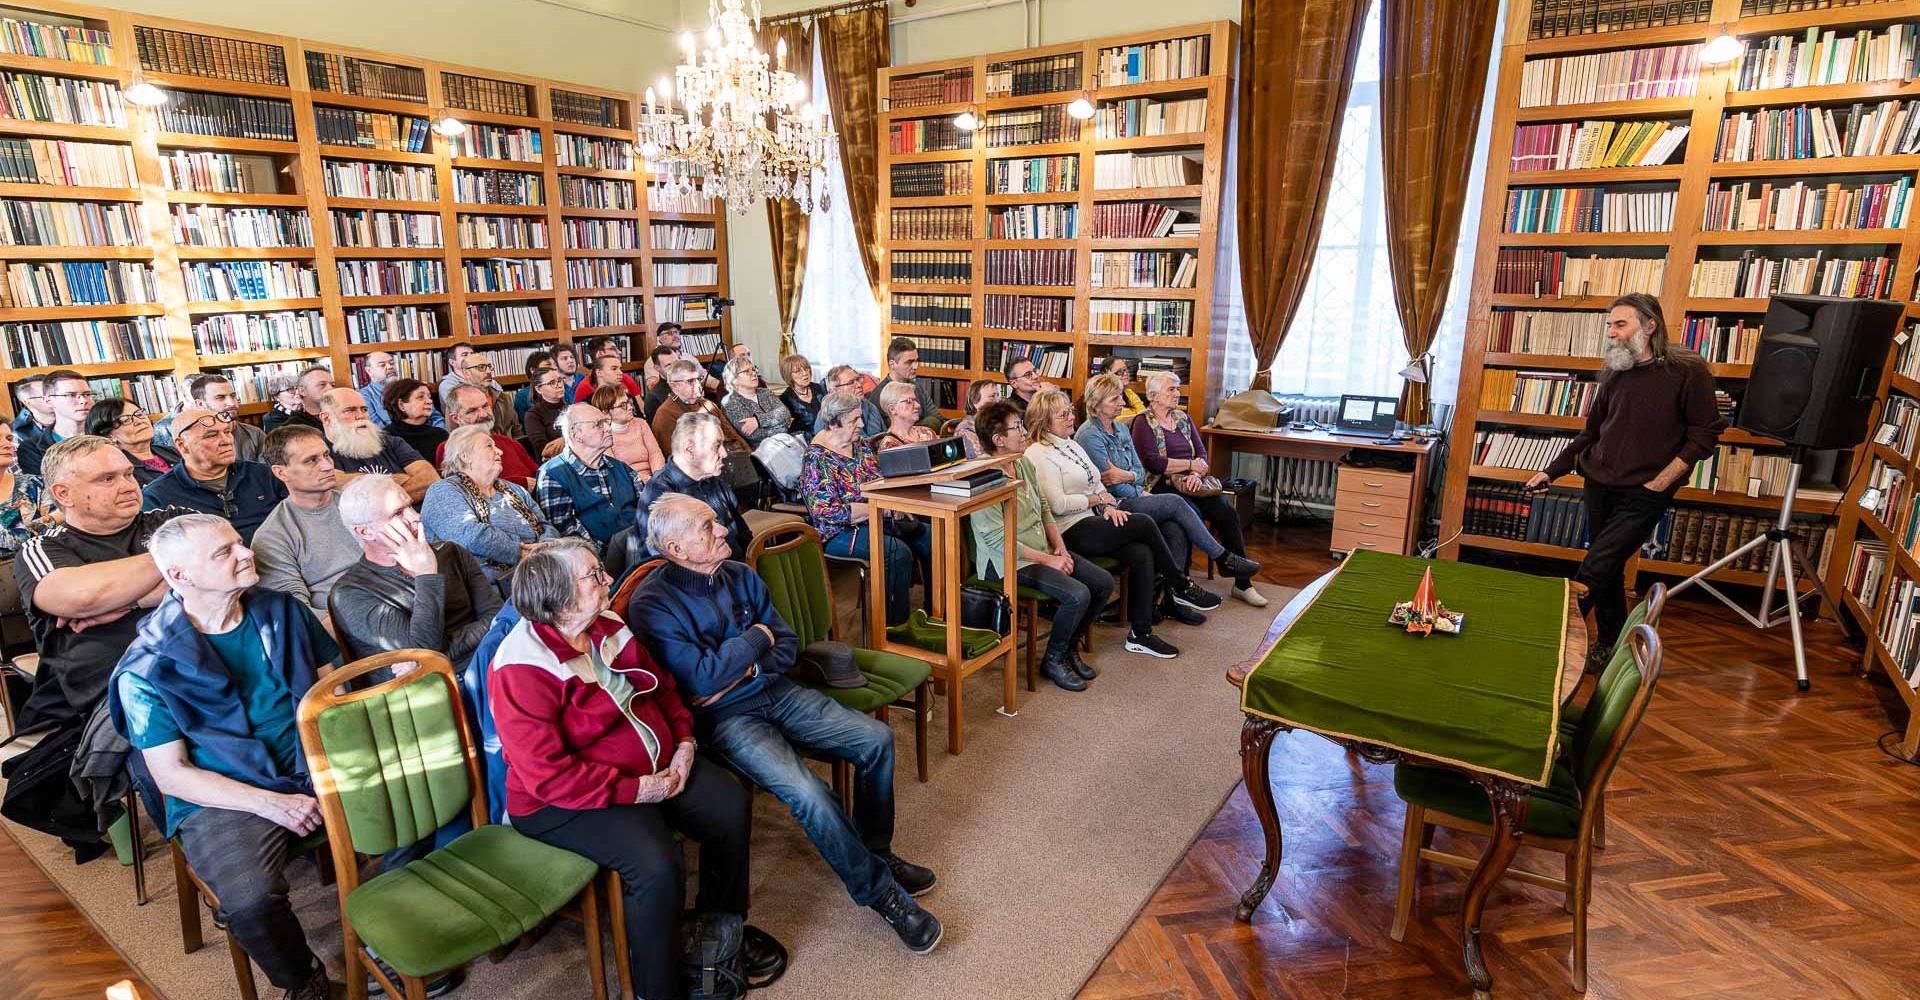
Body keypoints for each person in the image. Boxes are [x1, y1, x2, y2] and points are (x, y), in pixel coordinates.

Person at [629, 494, 943, 955]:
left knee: (876, 738)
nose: (724, 530)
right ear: (675, 549)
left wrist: (745, 666)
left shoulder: (738, 573)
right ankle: (882, 894)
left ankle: (877, 852)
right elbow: (700, 681)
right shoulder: (652, 603)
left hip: (777, 691)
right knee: (809, 793)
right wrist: (757, 638)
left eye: (717, 521)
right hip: (727, 718)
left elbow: (787, 644)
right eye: (708, 527)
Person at [490, 539, 766, 1000]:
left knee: (730, 805)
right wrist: (639, 790)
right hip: (562, 801)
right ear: (558, 598)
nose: (608, 579)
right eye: (593, 575)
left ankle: (717, 935)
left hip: (654, 768)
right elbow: (548, 776)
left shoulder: (608, 624)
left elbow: (663, 689)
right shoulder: (522, 667)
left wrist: (684, 742)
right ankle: (654, 990)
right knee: (657, 866)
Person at [108, 514, 345, 1000]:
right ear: (180, 576)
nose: (246, 553)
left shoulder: (282, 611)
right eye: (225, 552)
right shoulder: (146, 667)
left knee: (427, 803)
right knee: (249, 901)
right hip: (227, 792)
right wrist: (271, 803)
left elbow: (331, 691)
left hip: (313, 759)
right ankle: (305, 980)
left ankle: (384, 945)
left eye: (240, 542)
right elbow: (173, 775)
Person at [1528, 293, 1725, 660]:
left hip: (1645, 493)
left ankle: (1551, 644)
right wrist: (1550, 471)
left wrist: (1662, 482)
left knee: (1596, 565)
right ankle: (1608, 645)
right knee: (1609, 566)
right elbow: (1591, 434)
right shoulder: (1617, 370)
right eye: (1610, 325)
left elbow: (1704, 435)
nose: (1611, 333)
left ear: (1650, 326)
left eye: (1621, 324)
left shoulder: (1688, 370)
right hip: (1599, 484)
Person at [13, 437, 185, 735]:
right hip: (107, 699)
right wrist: (178, 560)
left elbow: (232, 570)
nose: (129, 486)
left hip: (198, 671)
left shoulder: (173, 519)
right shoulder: (42, 548)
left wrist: (131, 600)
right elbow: (82, 596)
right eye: (107, 479)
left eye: (129, 474)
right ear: (64, 494)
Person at [1025, 387, 1216, 645]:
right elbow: (1058, 505)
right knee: (1144, 522)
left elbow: (1098, 483)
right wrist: (1099, 500)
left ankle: (1141, 633)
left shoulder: (1070, 444)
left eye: (1070, 411)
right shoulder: (1038, 452)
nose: (1071, 417)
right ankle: (1180, 585)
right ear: (1044, 421)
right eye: (1063, 414)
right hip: (1068, 530)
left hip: (1094, 518)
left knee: (1141, 552)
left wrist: (1109, 507)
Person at [969, 400, 1106, 691]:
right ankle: (1053, 660)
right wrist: (1048, 560)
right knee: (1078, 594)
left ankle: (1067, 648)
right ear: (998, 439)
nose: (1024, 431)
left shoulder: (1022, 462)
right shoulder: (982, 476)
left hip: (1040, 550)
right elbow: (997, 541)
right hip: (1007, 562)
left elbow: (1044, 508)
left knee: (1102, 583)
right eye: (1016, 427)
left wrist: (1060, 547)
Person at [1077, 374, 1261, 588]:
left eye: (1121, 396)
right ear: (1097, 404)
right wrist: (1139, 487)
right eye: (1115, 398)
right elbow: (1146, 468)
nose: (1122, 402)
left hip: (1166, 486)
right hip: (1126, 498)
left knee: (1223, 510)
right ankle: (1203, 571)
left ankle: (1220, 583)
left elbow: (1138, 470)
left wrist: (1194, 474)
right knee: (1181, 510)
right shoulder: (1104, 431)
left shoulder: (1123, 428)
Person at [330, 474, 502, 666]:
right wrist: (426, 575)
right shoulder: (351, 592)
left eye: (411, 506)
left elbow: (497, 616)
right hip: (440, 680)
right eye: (398, 513)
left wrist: (444, 650)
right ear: (365, 532)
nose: (416, 517)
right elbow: (424, 651)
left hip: (490, 656)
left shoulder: (450, 552)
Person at [1132, 371, 1268, 608]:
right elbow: (1154, 463)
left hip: (1193, 483)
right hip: (1161, 485)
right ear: (1153, 396)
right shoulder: (1143, 423)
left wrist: (1195, 474)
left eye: (1178, 388)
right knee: (1189, 514)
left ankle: (1242, 583)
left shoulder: (1183, 418)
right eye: (1171, 389)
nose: (1177, 393)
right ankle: (1183, 585)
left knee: (1226, 511)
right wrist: (1190, 465)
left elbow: (1202, 455)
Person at [800, 393, 931, 625]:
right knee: (897, 553)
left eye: (860, 417)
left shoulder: (858, 444)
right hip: (840, 532)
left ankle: (935, 612)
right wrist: (877, 508)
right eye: (854, 420)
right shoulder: (816, 458)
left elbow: (879, 478)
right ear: (833, 424)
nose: (861, 424)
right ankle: (894, 629)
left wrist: (895, 504)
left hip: (876, 517)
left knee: (930, 536)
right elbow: (826, 511)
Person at [252, 426, 358, 636]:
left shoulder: (359, 503)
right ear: (280, 472)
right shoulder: (272, 537)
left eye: (326, 455)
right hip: (344, 626)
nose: (328, 466)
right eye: (311, 460)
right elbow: (297, 613)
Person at [422, 426, 557, 591]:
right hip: (492, 588)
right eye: (489, 446)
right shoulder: (443, 491)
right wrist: (521, 552)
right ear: (465, 456)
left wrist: (546, 546)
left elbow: (545, 525)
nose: (500, 451)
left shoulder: (514, 489)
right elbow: (471, 536)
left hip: (542, 568)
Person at [141, 405, 286, 544]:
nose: (226, 441)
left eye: (227, 432)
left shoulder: (266, 475)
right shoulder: (157, 497)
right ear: (182, 445)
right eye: (211, 435)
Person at [633, 411, 751, 563]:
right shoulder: (659, 496)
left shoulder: (711, 478)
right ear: (689, 449)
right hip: (706, 574)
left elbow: (742, 532)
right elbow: (662, 564)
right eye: (716, 446)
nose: (724, 453)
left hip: (736, 567)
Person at [650, 359, 759, 509]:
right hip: (703, 473)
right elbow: (677, 458)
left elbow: (732, 434)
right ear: (674, 385)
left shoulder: (707, 404)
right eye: (690, 381)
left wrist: (750, 454)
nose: (697, 385)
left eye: (698, 379)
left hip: (729, 459)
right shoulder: (665, 414)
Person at [536, 403, 644, 550]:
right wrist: (612, 555)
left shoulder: (620, 467)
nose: (608, 428)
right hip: (601, 558)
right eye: (599, 424)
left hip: (643, 547)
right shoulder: (552, 475)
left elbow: (648, 508)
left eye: (607, 422)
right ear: (576, 435)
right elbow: (569, 536)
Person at [318, 388, 440, 503]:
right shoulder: (320, 454)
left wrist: (372, 494)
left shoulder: (391, 442)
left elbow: (430, 480)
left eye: (364, 409)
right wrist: (403, 478)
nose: (361, 416)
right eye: (350, 410)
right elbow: (335, 484)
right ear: (326, 418)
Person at [440, 384, 540, 488]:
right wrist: (520, 483)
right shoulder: (449, 448)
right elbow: (462, 488)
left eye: (485, 406)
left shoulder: (509, 442)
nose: (483, 414)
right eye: (472, 411)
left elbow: (539, 475)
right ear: (456, 418)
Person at [156, 375, 268, 462]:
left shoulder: (255, 434)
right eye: (220, 398)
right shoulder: (179, 437)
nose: (231, 403)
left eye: (233, 396)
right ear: (200, 404)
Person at [86, 397, 179, 486]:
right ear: (109, 436)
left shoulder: (171, 451)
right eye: (126, 420)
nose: (139, 421)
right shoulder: (119, 470)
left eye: (139, 414)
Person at [18, 369, 92, 475]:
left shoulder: (108, 435)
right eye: (71, 395)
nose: (83, 401)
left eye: (87, 394)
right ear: (49, 401)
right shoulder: (31, 449)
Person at [592, 385, 666, 482]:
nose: (630, 407)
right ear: (605, 412)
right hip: (628, 483)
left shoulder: (641, 423)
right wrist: (645, 480)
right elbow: (616, 471)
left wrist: (657, 478)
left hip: (654, 479)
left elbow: (655, 454)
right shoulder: (603, 435)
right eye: (623, 405)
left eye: (629, 402)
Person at [868, 338, 944, 431]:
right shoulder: (879, 394)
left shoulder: (918, 387)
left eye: (916, 361)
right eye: (909, 362)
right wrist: (924, 425)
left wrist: (912, 428)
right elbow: (889, 431)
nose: (915, 366)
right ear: (892, 364)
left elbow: (938, 419)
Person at [0, 421, 53, 556]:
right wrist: (53, 518)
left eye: (9, 439)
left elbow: (60, 533)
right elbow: (6, 541)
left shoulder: (35, 484)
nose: (8, 445)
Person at [357, 351, 442, 432]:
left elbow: (436, 417)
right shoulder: (364, 396)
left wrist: (440, 435)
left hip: (430, 435)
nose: (390, 367)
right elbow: (378, 429)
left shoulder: (411, 386)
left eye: (392, 363)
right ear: (369, 371)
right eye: (382, 365)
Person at [719, 355, 793, 448]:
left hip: (786, 441)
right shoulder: (730, 402)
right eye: (746, 371)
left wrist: (758, 421)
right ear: (734, 380)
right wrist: (782, 427)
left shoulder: (765, 392)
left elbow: (785, 413)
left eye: (753, 369)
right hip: (763, 450)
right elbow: (754, 435)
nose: (754, 373)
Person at [441, 350, 520, 437]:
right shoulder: (458, 400)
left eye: (489, 367)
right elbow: (455, 436)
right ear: (466, 373)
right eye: (481, 367)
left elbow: (516, 430)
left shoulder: (504, 398)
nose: (488, 371)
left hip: (506, 444)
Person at [382, 377, 449, 461]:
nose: (429, 401)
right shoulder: (386, 438)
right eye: (421, 397)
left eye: (429, 397)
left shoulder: (441, 435)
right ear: (401, 405)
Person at [642, 322, 718, 394]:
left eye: (676, 332)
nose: (676, 336)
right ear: (659, 338)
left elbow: (704, 376)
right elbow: (653, 387)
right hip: (669, 398)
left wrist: (718, 385)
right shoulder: (653, 361)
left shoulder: (688, 357)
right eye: (670, 333)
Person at [815, 365, 886, 438]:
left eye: (858, 379)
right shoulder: (828, 415)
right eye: (851, 382)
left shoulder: (870, 407)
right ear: (836, 389)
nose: (859, 385)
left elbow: (884, 436)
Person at [261, 366, 331, 434]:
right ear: (276, 397)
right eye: (291, 389)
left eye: (298, 387)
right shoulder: (272, 418)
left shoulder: (310, 409)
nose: (297, 392)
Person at [523, 366, 573, 458]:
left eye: (560, 380)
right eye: (552, 383)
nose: (559, 385)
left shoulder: (571, 408)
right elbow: (544, 451)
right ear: (539, 389)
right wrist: (570, 439)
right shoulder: (533, 415)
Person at [437, 343, 503, 413]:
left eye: (472, 354)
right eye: (465, 354)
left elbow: (503, 401)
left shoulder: (488, 379)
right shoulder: (447, 384)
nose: (470, 357)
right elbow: (463, 408)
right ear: (452, 362)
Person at [873, 382, 939, 451]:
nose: (918, 405)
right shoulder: (890, 445)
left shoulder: (927, 433)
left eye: (915, 400)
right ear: (892, 409)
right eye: (909, 401)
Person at [573, 349, 644, 402]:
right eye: (614, 369)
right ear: (599, 372)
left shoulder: (627, 396)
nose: (620, 372)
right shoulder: (587, 404)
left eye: (620, 368)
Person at [953, 379, 1001, 458]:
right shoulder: (965, 430)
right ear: (975, 401)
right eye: (992, 396)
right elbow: (980, 460)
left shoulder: (994, 423)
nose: (998, 401)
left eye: (997, 396)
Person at [1089, 357, 1148, 421]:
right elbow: (1108, 421)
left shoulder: (1129, 392)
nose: (1125, 374)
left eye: (1125, 369)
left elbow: (1144, 414)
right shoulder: (1097, 395)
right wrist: (1137, 419)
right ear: (1107, 374)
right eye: (1119, 372)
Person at [776, 353, 822, 432]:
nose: (805, 373)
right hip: (803, 437)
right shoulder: (785, 398)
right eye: (798, 371)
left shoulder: (819, 388)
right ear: (788, 375)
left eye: (806, 368)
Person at [510, 350, 554, 422]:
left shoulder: (559, 389)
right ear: (533, 370)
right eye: (548, 365)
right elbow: (523, 423)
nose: (553, 368)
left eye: (554, 365)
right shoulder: (522, 396)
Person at [639, 346, 677, 422]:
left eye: (676, 362)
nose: (675, 368)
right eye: (668, 365)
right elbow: (655, 427)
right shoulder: (653, 397)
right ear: (657, 368)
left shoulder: (691, 384)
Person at [12, 373, 53, 438]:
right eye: (47, 395)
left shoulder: (70, 415)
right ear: (28, 402)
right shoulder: (16, 433)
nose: (57, 397)